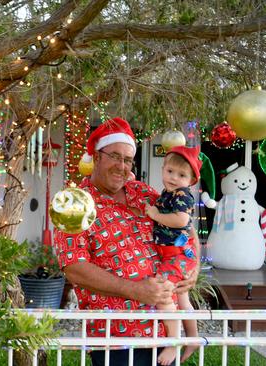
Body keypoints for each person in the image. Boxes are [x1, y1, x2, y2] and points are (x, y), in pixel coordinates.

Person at [54, 117, 199, 366]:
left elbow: (184, 224)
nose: (122, 166)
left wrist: (192, 268)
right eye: (115, 156)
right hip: (115, 337)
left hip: (163, 331)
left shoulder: (142, 192)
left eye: (128, 159)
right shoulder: (74, 203)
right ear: (97, 157)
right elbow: (74, 267)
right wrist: (136, 290)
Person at [144, 145, 202, 365]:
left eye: (181, 175)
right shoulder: (168, 194)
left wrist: (155, 214)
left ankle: (174, 342)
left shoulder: (181, 196)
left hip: (177, 254)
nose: (174, 178)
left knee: (163, 295)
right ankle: (193, 337)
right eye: (170, 172)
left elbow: (181, 221)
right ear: (162, 170)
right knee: (181, 297)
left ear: (191, 180)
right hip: (175, 253)